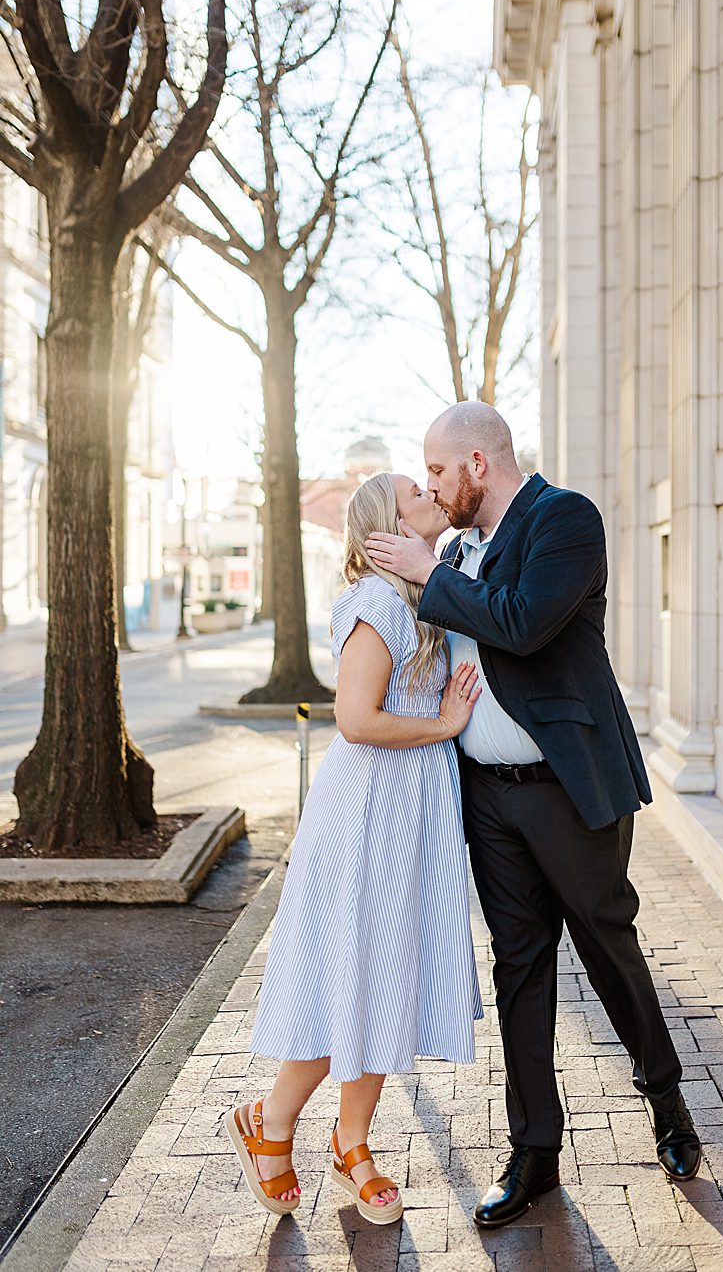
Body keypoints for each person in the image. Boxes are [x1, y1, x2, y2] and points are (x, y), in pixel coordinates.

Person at [366, 403, 701, 1230]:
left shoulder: (565, 519)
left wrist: (430, 567)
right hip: (488, 793)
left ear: (478, 462)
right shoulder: (460, 547)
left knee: (605, 942)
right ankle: (534, 1152)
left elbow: (520, 624)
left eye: (439, 472)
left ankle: (669, 1107)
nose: (434, 488)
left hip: (568, 785)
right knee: (518, 965)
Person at [226, 472, 483, 1226]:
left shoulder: (422, 595)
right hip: (369, 815)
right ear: (383, 529)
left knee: (384, 978)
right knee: (351, 978)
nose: (429, 492)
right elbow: (358, 720)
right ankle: (270, 1125)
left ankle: (352, 1143)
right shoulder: (378, 603)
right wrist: (444, 724)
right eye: (414, 492)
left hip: (406, 815)